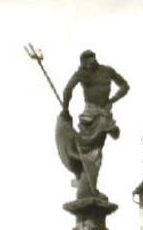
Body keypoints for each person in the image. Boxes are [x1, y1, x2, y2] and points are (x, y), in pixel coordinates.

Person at [55, 50, 130, 197]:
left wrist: (65, 109)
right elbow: (67, 90)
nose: (89, 64)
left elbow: (125, 86)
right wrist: (65, 109)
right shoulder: (86, 72)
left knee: (93, 153)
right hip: (94, 116)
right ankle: (86, 184)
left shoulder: (101, 71)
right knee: (92, 153)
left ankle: (86, 184)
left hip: (97, 114)